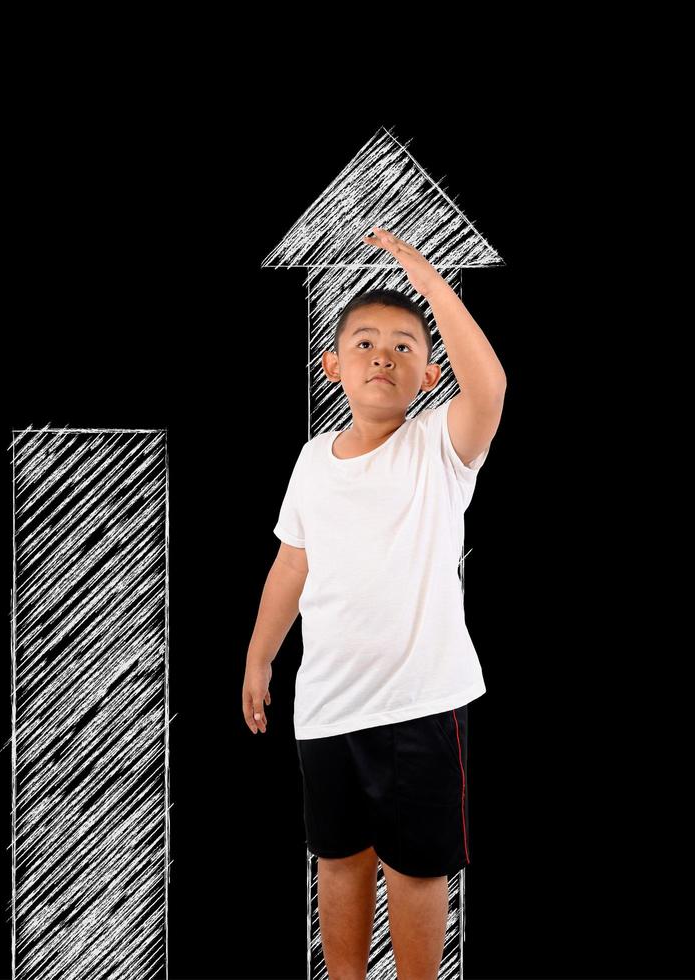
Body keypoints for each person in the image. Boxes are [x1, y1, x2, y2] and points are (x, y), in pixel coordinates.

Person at [241, 227, 507, 980]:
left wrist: (422, 274)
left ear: (427, 376)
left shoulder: (439, 449)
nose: (382, 355)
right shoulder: (311, 463)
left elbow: (489, 386)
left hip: (419, 706)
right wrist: (260, 656)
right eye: (363, 343)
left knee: (417, 869)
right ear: (331, 366)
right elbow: (291, 566)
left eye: (402, 345)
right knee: (338, 860)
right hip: (327, 707)